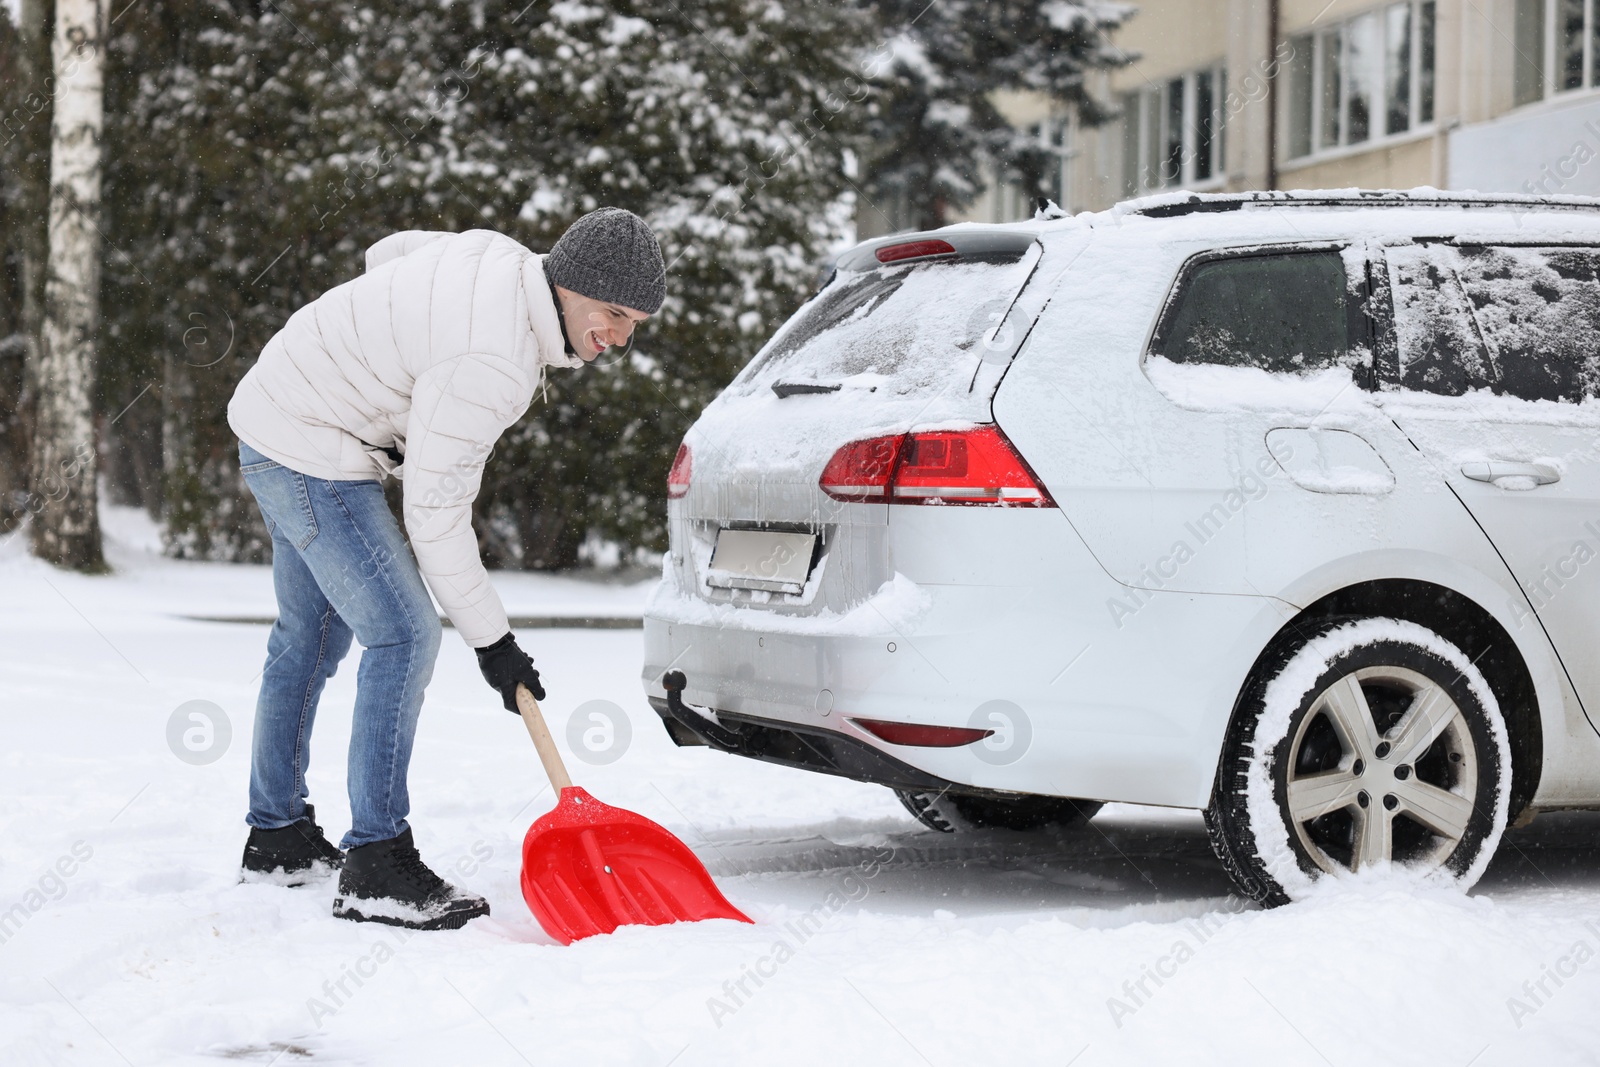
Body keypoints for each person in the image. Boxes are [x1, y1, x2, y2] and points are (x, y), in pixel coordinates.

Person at [226, 208, 663, 930]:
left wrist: (376, 356)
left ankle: (277, 836)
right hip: (311, 442)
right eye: (612, 313)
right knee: (403, 632)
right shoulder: (493, 362)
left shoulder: (503, 258)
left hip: (276, 409)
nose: (618, 337)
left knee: (308, 636)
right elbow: (434, 514)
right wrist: (493, 643)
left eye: (635, 322)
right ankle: (377, 861)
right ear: (569, 284)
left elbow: (387, 252)